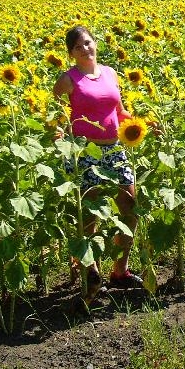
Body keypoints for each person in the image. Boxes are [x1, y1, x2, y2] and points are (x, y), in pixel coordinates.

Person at [53, 25, 143, 304]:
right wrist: (58, 132)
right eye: (78, 46)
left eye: (88, 43)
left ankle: (120, 271)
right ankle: (92, 274)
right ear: (71, 53)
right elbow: (57, 114)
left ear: (96, 44)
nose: (85, 49)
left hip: (114, 148)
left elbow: (118, 110)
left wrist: (141, 123)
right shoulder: (68, 79)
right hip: (85, 152)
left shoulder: (110, 73)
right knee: (89, 214)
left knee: (130, 205)